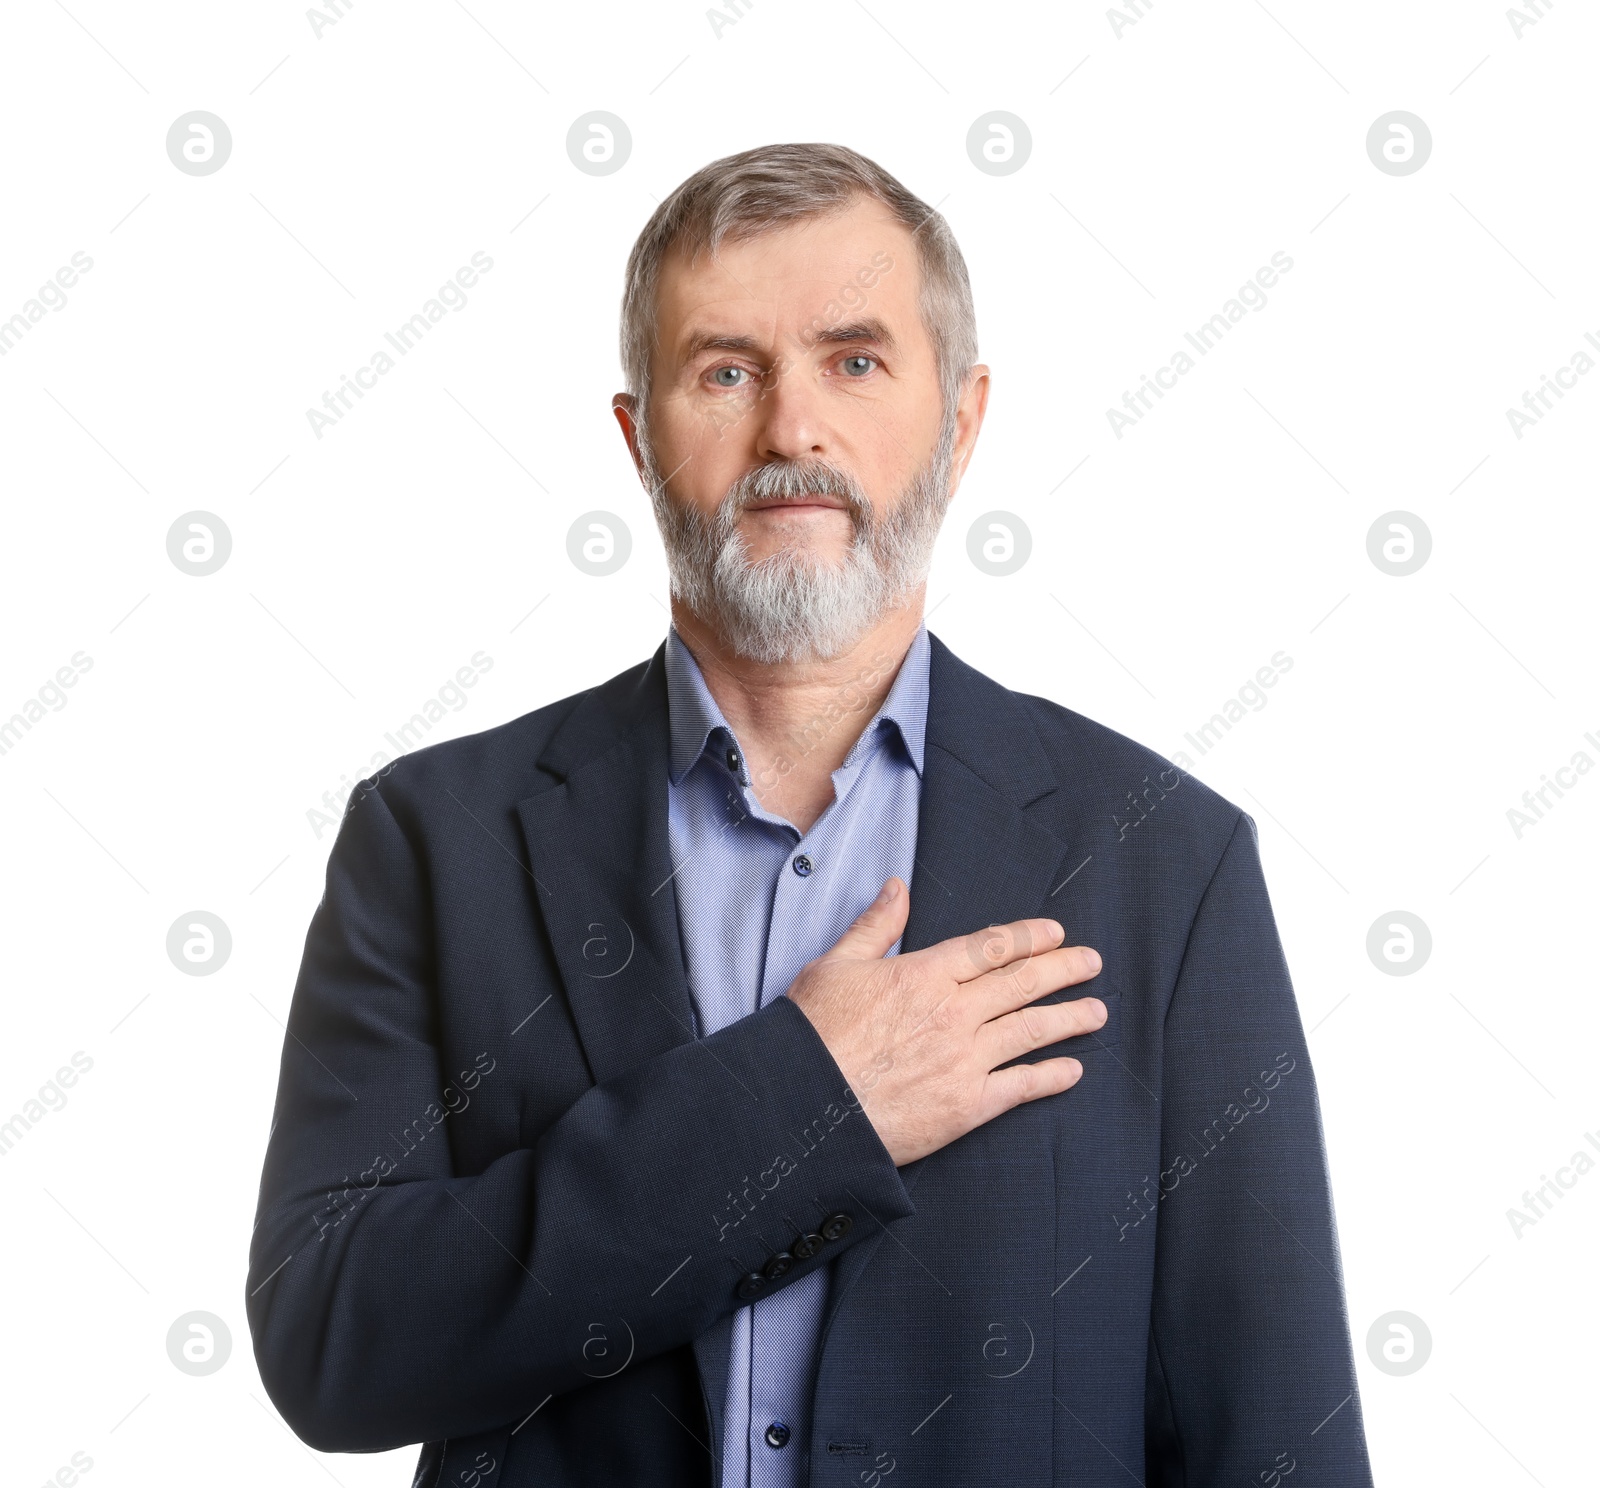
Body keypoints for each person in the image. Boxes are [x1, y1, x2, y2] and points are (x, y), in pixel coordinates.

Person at [247, 142, 1373, 1488]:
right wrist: (803, 1105)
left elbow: (1277, 1439)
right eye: (726, 371)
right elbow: (332, 1346)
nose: (791, 432)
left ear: (960, 422)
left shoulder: (1165, 861)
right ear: (637, 438)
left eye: (855, 362)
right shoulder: (436, 838)